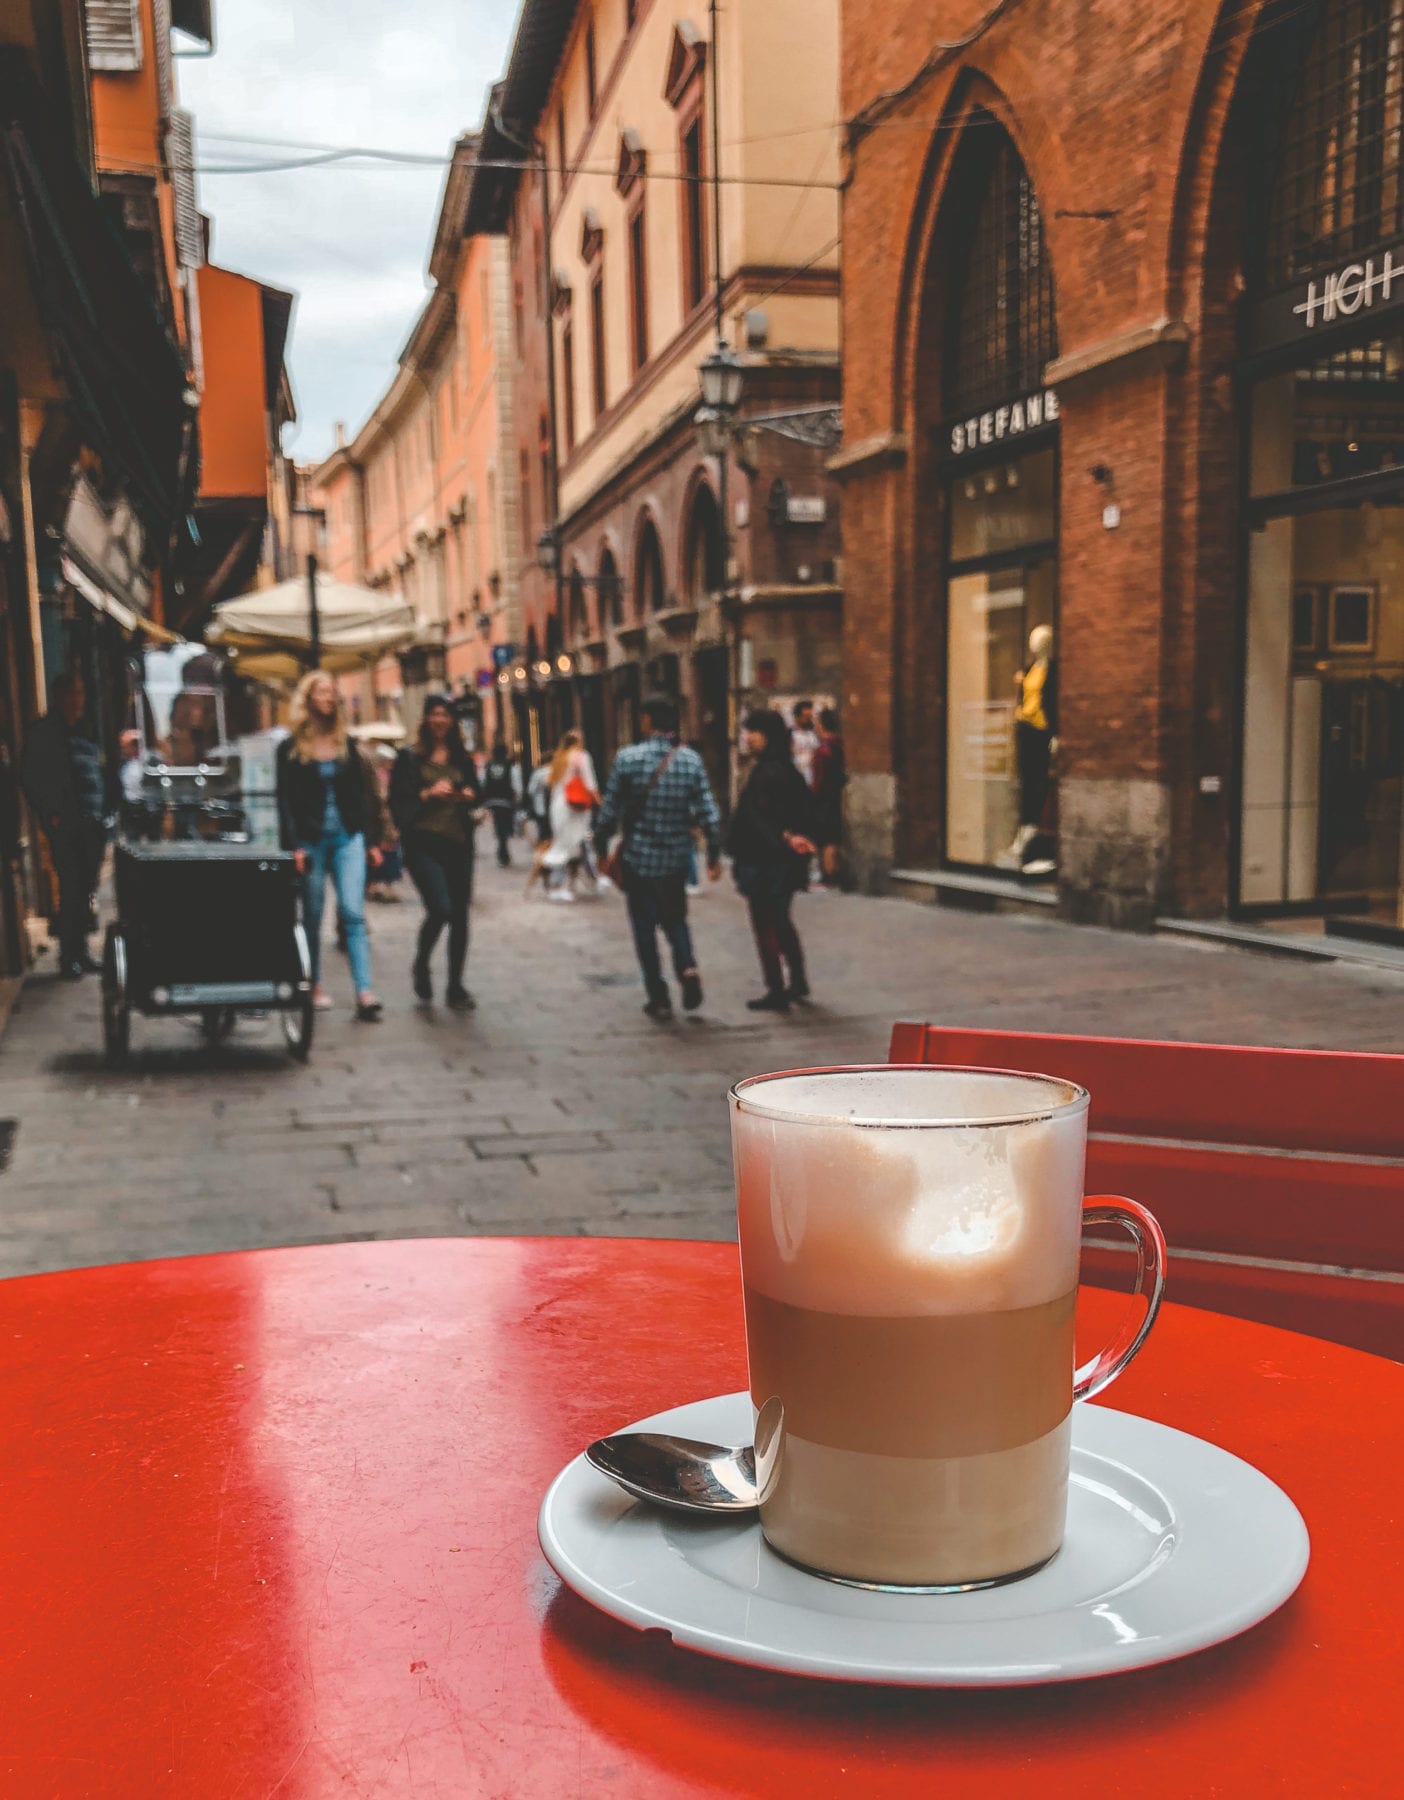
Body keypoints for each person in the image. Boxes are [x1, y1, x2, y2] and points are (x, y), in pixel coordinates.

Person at [594, 694, 721, 1019]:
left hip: (638, 860)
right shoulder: (690, 760)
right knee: (676, 919)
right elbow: (708, 812)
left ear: (647, 720)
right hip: (676, 859)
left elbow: (609, 812)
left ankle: (658, 995)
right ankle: (687, 967)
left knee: (644, 928)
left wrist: (600, 845)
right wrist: (714, 852)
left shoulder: (627, 758)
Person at [275, 670, 386, 1020]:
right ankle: (314, 983)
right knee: (312, 914)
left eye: (332, 692)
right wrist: (293, 845)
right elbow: (285, 801)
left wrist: (370, 840)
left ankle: (364, 991)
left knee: (353, 912)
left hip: (347, 837)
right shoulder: (290, 748)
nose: (329, 697)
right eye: (322, 692)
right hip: (310, 841)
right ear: (308, 698)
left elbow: (361, 795)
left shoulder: (347, 744)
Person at [390, 694, 482, 1008]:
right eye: (435, 714)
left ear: (453, 721)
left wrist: (469, 794)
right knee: (440, 908)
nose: (440, 720)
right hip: (423, 844)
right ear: (426, 719)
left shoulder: (462, 758)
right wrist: (428, 793)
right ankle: (421, 964)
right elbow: (398, 800)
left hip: (458, 844)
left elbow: (477, 793)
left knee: (460, 916)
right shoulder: (410, 758)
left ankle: (456, 986)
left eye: (446, 715)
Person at [19, 671, 109, 978]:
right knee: (70, 891)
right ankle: (69, 956)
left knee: (85, 891)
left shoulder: (84, 732)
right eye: (72, 693)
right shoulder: (44, 733)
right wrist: (51, 814)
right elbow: (31, 777)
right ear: (59, 697)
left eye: (81, 693)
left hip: (92, 824)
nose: (78, 700)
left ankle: (80, 952)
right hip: (67, 826)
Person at [729, 709, 818, 1011]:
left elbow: (759, 817)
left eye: (753, 732)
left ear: (768, 736)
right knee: (781, 921)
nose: (748, 737)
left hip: (764, 861)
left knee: (765, 923)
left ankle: (776, 988)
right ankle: (798, 980)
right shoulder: (787, 769)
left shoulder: (767, 772)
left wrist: (784, 837)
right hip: (784, 861)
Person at [542, 729, 600, 902]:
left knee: (566, 845)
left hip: (558, 807)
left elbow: (550, 784)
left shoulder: (559, 759)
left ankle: (561, 884)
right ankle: (559, 885)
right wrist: (600, 802)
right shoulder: (581, 757)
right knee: (573, 845)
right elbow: (590, 783)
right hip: (575, 808)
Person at [810, 707, 848, 888]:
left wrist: (812, 796)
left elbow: (818, 779)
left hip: (824, 799)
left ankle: (829, 877)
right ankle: (836, 874)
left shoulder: (822, 750)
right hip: (837, 796)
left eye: (817, 723)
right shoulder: (841, 746)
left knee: (827, 840)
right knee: (834, 838)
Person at [480, 739, 521, 868]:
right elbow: (516, 784)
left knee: (499, 824)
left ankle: (502, 848)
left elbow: (483, 782)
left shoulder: (488, 765)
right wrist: (518, 799)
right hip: (506, 801)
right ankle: (503, 850)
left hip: (492, 801)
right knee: (505, 825)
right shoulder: (511, 766)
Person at [790, 699, 821, 790]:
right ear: (797, 717)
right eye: (806, 717)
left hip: (814, 781)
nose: (809, 720)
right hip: (797, 781)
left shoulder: (814, 734)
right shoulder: (790, 735)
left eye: (811, 717)